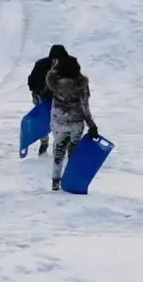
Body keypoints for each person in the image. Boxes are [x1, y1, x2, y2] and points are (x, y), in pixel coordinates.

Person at [45, 55, 100, 191]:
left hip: (59, 122)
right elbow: (84, 107)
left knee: (58, 151)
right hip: (76, 123)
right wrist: (92, 125)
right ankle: (71, 180)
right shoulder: (80, 84)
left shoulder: (54, 83)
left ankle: (55, 182)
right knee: (73, 152)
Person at [26, 44, 73, 155]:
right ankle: (45, 143)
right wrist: (39, 92)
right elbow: (32, 82)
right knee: (45, 121)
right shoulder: (41, 65)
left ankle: (58, 144)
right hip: (42, 99)